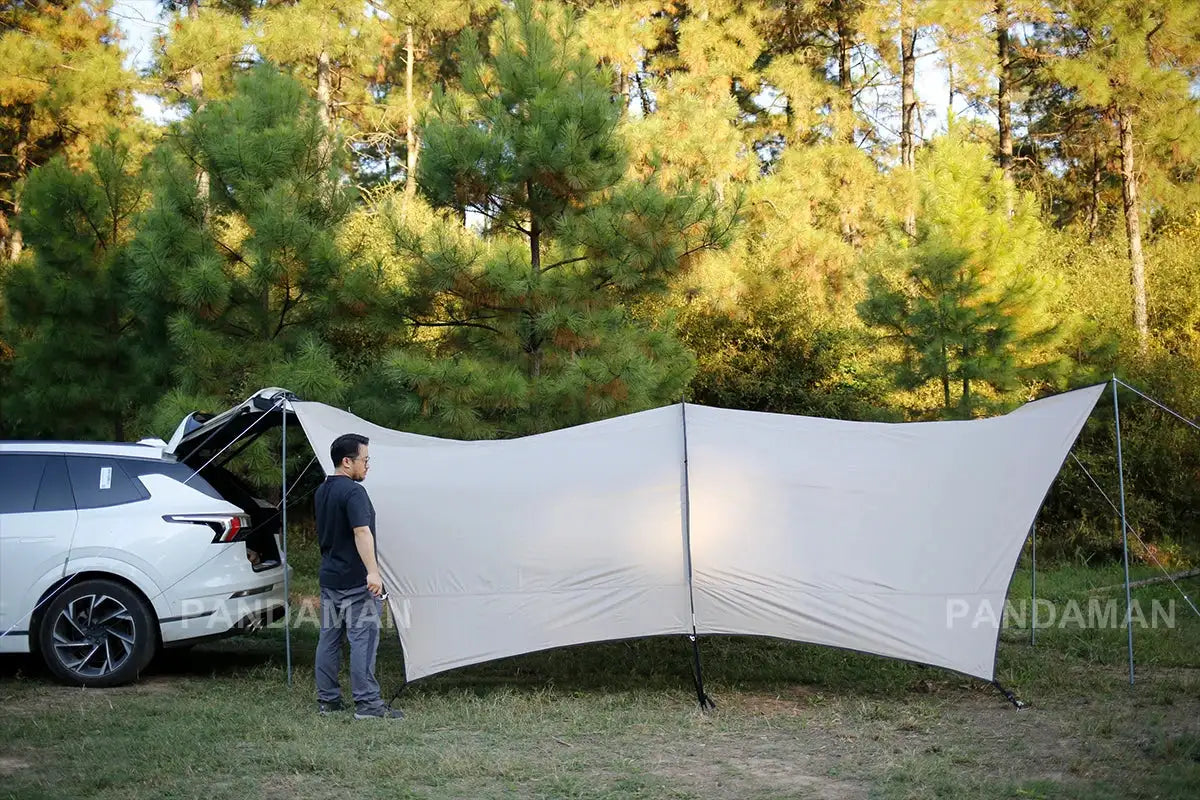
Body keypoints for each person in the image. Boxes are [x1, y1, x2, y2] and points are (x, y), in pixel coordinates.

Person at [314, 433, 403, 720]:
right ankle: (367, 704)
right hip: (355, 581)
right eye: (364, 460)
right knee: (362, 640)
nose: (367, 465)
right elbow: (361, 532)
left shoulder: (322, 491)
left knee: (329, 639)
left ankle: (328, 701)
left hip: (330, 578)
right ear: (346, 461)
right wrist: (373, 573)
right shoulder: (354, 492)